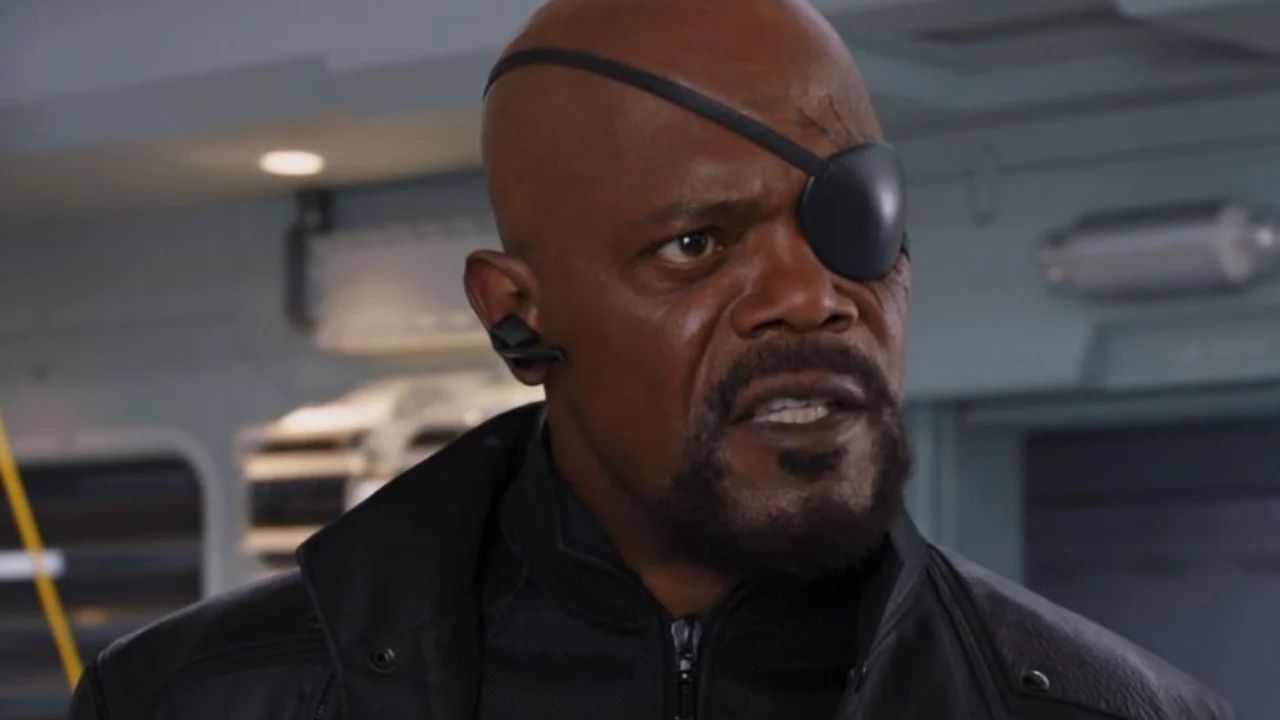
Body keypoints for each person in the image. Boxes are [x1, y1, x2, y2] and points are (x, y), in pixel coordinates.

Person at [70, 1, 1234, 718]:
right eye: (695, 245)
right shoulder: (194, 702)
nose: (810, 299)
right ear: (515, 317)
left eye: (848, 224)